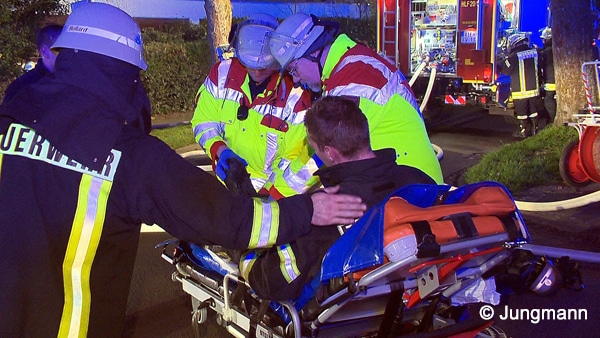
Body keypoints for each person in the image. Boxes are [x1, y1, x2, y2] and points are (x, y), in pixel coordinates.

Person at [0, 4, 366, 337]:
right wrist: (309, 210)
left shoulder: (8, 121)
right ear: (123, 72)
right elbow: (224, 218)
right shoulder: (132, 156)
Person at [242, 96, 436, 301]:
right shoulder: (419, 181)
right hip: (416, 299)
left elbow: (269, 283)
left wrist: (245, 247)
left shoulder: (330, 210)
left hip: (350, 317)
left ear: (330, 153)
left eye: (314, 147)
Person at [268, 13, 443, 184]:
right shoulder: (352, 65)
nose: (296, 79)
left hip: (410, 195)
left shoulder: (353, 82)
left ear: (313, 53)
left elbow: (324, 155)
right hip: (403, 185)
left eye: (293, 69)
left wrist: (276, 197)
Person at [191, 14, 316, 200]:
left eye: (265, 65)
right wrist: (221, 151)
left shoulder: (296, 94)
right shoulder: (221, 75)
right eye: (250, 64)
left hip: (277, 197)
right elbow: (204, 122)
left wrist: (272, 199)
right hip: (228, 189)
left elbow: (301, 159)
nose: (257, 71)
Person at [2, 24, 63, 105]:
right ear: (45, 51)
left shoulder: (76, 81)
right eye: (61, 48)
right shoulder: (21, 88)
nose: (69, 53)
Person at [502, 33, 545, 138]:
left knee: (522, 114)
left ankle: (523, 131)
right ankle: (535, 130)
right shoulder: (535, 52)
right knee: (534, 112)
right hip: (534, 90)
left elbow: (506, 71)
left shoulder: (513, 57)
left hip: (520, 92)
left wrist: (503, 60)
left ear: (514, 44)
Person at [539, 27, 556, 125]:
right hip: (554, 80)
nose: (542, 41)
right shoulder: (555, 49)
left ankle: (553, 120)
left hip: (551, 81)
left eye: (543, 39)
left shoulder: (546, 53)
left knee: (548, 100)